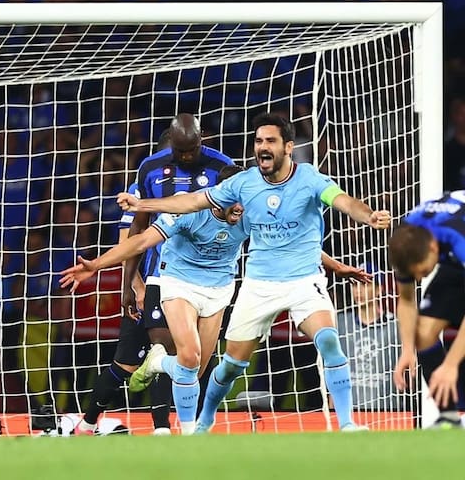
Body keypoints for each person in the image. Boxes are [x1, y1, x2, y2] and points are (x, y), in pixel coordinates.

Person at [118, 112, 391, 432]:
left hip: (304, 281)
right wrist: (143, 205)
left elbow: (341, 200)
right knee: (228, 366)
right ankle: (204, 419)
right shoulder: (242, 184)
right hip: (257, 284)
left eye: (270, 141)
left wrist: (367, 217)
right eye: (258, 140)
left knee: (329, 340)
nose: (262, 146)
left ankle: (347, 424)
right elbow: (191, 203)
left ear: (288, 147)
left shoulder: (309, 179)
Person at [62, 164, 248, 434]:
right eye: (235, 200)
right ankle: (185, 435)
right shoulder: (188, 210)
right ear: (219, 195)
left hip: (218, 289)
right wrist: (96, 265)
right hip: (177, 282)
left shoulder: (251, 212)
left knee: (194, 371)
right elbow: (139, 242)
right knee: (187, 356)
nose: (241, 207)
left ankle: (157, 363)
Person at [122, 113, 233, 434]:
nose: (186, 157)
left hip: (215, 276)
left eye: (191, 150)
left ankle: (161, 369)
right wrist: (131, 281)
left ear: (202, 139)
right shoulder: (150, 168)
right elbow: (138, 230)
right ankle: (171, 428)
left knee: (197, 364)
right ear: (171, 143)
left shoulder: (222, 167)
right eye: (179, 151)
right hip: (167, 274)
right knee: (179, 349)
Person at [71, 128, 170, 436]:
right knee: (129, 364)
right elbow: (127, 241)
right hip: (151, 285)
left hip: (181, 286)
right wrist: (136, 287)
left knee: (164, 354)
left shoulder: (197, 189)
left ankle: (163, 429)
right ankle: (88, 423)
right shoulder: (143, 187)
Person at [389, 191, 465, 428]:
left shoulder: (457, 235)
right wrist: (407, 350)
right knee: (422, 333)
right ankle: (449, 418)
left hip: (458, 247)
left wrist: (451, 365)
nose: (420, 278)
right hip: (454, 263)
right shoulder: (405, 241)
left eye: (423, 271)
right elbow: (407, 300)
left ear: (433, 248)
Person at [337, 262, 404, 411]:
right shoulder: (340, 323)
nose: (358, 291)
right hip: (348, 412)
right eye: (354, 284)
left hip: (387, 412)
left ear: (379, 289)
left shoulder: (396, 326)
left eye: (365, 284)